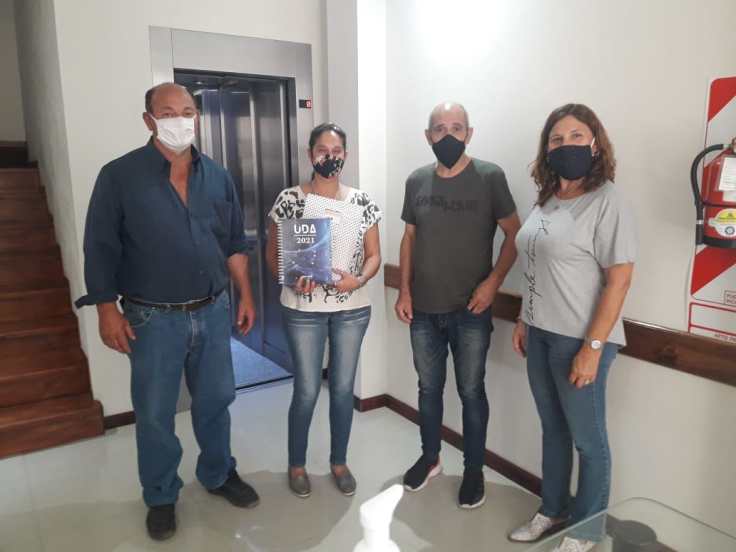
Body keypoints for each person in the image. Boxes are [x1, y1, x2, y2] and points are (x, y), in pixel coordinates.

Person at [75, 83, 259, 541]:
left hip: (212, 310)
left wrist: (246, 295)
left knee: (216, 401)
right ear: (149, 120)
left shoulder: (217, 176)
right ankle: (160, 495)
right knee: (156, 413)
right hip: (152, 318)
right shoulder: (119, 176)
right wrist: (106, 310)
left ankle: (218, 473)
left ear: (197, 116)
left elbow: (234, 243)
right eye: (168, 112)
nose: (180, 120)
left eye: (188, 111)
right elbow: (100, 247)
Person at [508, 104, 636, 552]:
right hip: (539, 333)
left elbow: (619, 279)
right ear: (547, 149)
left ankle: (586, 530)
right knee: (553, 429)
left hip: (580, 340)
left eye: (577, 136)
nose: (566, 145)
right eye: (557, 139)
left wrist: (592, 348)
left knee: (588, 440)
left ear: (595, 143)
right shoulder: (546, 199)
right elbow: (536, 265)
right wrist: (524, 318)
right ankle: (553, 509)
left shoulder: (607, 201)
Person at [395, 102, 521, 509]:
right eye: (439, 129)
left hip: (471, 311)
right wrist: (404, 291)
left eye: (456, 128)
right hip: (423, 310)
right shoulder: (416, 181)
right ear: (427, 136)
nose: (447, 135)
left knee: (470, 391)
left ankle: (473, 470)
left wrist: (493, 283)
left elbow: (514, 234)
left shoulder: (489, 177)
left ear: (470, 133)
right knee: (428, 388)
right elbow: (409, 237)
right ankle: (430, 458)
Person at [266, 122, 382, 499]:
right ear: (310, 154)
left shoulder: (361, 201)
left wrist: (358, 280)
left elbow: (375, 255)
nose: (329, 157)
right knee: (306, 390)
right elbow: (273, 255)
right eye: (322, 150)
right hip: (302, 309)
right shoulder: (290, 199)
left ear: (345, 155)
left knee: (343, 389)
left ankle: (339, 462)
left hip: (352, 310)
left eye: (336, 151)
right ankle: (297, 464)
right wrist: (290, 278)